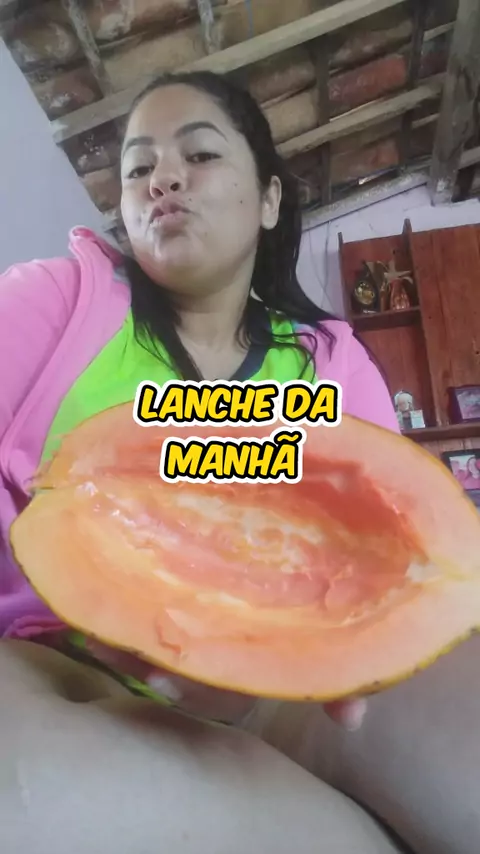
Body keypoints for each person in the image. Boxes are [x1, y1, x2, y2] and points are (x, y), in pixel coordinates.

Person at [1, 71, 479, 854]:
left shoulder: (330, 361)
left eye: (199, 154)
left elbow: (414, 563)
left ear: (268, 199)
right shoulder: (53, 303)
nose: (162, 178)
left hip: (300, 678)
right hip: (59, 666)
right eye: (138, 167)